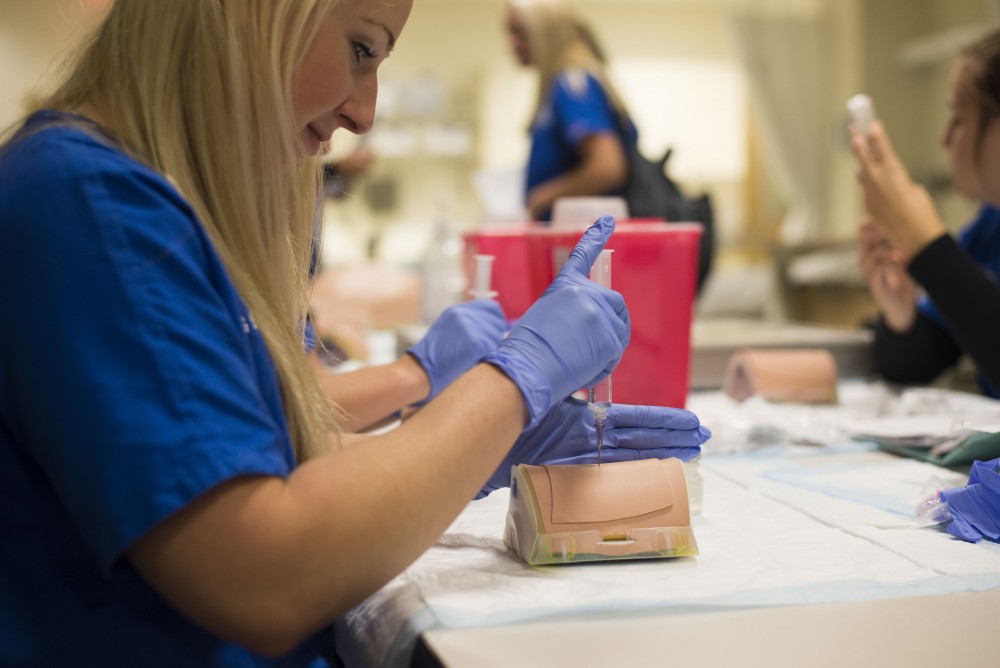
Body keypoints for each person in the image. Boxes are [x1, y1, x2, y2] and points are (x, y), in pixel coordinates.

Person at [0, 1, 710, 666]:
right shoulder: (91, 206)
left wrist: (464, 449)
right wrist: (510, 386)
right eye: (362, 49)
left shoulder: (136, 202)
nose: (364, 112)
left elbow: (262, 456)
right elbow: (264, 573)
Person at [852, 27, 1000, 397]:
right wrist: (900, 313)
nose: (944, 140)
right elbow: (918, 363)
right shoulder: (991, 225)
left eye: (959, 119)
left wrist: (924, 240)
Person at [504, 0, 635, 222]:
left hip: (581, 246)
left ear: (544, 30)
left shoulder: (573, 84)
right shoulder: (561, 86)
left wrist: (541, 199)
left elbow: (607, 167)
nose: (511, 44)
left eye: (519, 31)